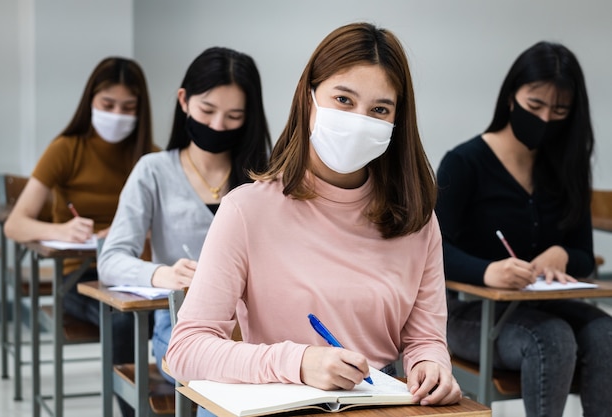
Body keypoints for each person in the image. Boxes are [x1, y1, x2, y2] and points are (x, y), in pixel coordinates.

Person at [166, 22, 461, 407]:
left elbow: (425, 341)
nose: (360, 120)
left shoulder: (417, 219)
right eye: (343, 100)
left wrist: (433, 366)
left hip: (379, 403)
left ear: (396, 120)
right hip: (277, 403)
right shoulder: (246, 209)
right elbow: (185, 351)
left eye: (379, 109)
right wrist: (300, 361)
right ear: (309, 99)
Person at [435, 41, 612, 417]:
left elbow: (584, 258)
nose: (546, 119)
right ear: (511, 97)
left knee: (606, 333)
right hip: (471, 313)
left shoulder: (566, 169)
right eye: (536, 106)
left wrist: (563, 254)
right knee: (551, 338)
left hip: (545, 307)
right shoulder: (464, 163)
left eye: (560, 111)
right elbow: (431, 250)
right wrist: (487, 271)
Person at [97, 47, 272, 384]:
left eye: (234, 116)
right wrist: (163, 274)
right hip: (182, 325)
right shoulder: (153, 171)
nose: (218, 125)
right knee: (220, 377)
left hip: (261, 328)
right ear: (184, 100)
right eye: (207, 110)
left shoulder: (266, 175)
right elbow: (111, 260)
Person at [3, 56, 157, 417]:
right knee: (125, 320)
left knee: (171, 317)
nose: (117, 114)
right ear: (91, 101)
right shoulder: (66, 149)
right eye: (108, 105)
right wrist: (62, 230)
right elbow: (16, 224)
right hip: (80, 278)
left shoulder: (149, 156)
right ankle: (136, 411)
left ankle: (174, 404)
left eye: (128, 107)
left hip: (137, 277)